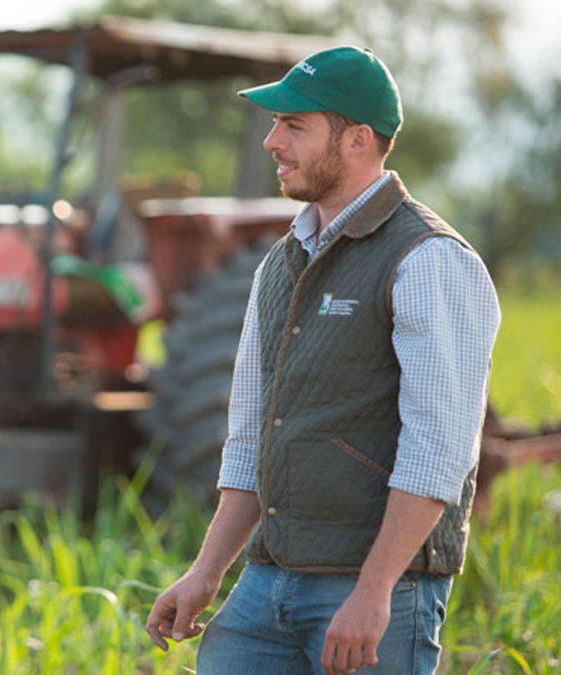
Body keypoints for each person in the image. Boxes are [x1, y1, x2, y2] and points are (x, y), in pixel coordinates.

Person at [145, 46, 500, 674]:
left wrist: (373, 592)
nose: (272, 142)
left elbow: (440, 449)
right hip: (267, 581)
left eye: (295, 126)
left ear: (358, 139)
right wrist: (206, 573)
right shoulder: (279, 263)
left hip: (371, 589)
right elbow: (251, 436)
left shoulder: (429, 260)